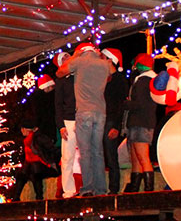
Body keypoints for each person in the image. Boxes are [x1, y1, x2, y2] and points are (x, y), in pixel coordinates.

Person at [56, 41, 114, 196]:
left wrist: (74, 56)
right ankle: (101, 189)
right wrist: (101, 57)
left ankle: (87, 188)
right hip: (100, 112)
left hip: (84, 112)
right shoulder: (104, 63)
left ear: (81, 51)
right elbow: (112, 72)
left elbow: (60, 73)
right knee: (98, 152)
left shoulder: (79, 61)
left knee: (85, 151)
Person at [124, 53, 158, 192]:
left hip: (140, 122)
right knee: (137, 158)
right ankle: (135, 186)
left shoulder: (143, 81)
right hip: (142, 121)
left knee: (142, 158)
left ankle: (148, 189)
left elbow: (140, 104)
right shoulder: (149, 80)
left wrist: (126, 103)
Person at [53, 51, 80, 198]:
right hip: (69, 120)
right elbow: (58, 105)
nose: (67, 59)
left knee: (87, 154)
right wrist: (61, 125)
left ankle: (89, 187)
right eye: (63, 58)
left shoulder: (82, 75)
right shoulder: (61, 81)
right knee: (68, 157)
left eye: (68, 56)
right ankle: (69, 190)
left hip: (84, 118)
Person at [101, 49, 128, 194]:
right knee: (102, 155)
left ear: (110, 60)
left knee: (111, 156)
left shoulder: (119, 79)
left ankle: (114, 188)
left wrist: (117, 126)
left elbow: (121, 104)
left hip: (112, 121)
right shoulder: (102, 78)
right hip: (101, 120)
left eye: (103, 58)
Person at [14, 121, 60, 200]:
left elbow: (53, 151)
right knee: (22, 172)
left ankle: (39, 197)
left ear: (26, 129)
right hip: (31, 168)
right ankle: (16, 198)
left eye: (22, 129)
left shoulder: (39, 138)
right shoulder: (26, 141)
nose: (21, 131)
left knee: (34, 168)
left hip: (46, 166)